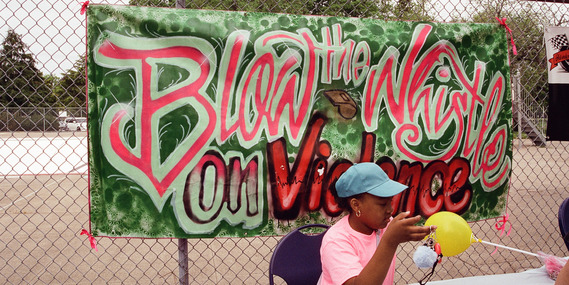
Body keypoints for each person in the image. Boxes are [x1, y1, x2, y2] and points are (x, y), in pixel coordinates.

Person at [319, 162, 434, 285]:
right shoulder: (336, 240)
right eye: (383, 204)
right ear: (356, 205)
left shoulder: (385, 224)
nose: (390, 210)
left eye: (390, 202)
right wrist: (389, 242)